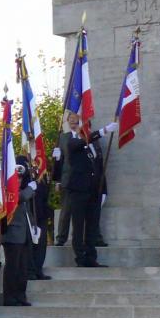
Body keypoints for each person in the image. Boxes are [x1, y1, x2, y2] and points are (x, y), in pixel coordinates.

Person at [62, 111, 117, 267]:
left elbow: (99, 169)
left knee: (92, 225)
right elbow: (82, 143)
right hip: (78, 191)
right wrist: (104, 131)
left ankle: (91, 257)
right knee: (78, 226)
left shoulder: (93, 146)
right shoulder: (72, 142)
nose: (82, 127)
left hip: (94, 191)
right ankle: (80, 258)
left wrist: (103, 190)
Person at [1, 157, 38, 307]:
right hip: (12, 235)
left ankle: (20, 295)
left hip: (24, 235)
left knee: (23, 269)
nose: (19, 180)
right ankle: (9, 297)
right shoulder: (8, 191)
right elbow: (20, 198)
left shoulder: (23, 190)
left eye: (21, 178)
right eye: (17, 178)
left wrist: (34, 226)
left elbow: (27, 212)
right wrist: (31, 189)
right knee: (13, 268)